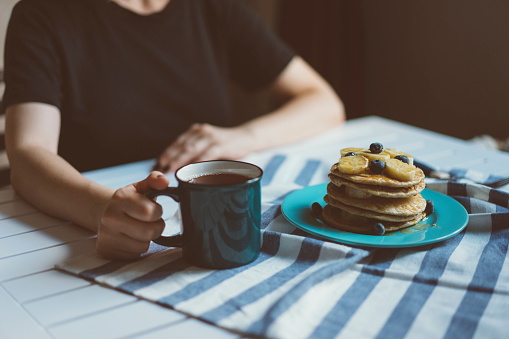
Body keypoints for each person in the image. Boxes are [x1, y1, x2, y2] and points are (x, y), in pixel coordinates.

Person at [3, 0, 344, 260]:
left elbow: (324, 102)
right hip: (86, 228)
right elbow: (28, 153)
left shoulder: (212, 7)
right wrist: (99, 208)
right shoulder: (41, 13)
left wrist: (242, 136)